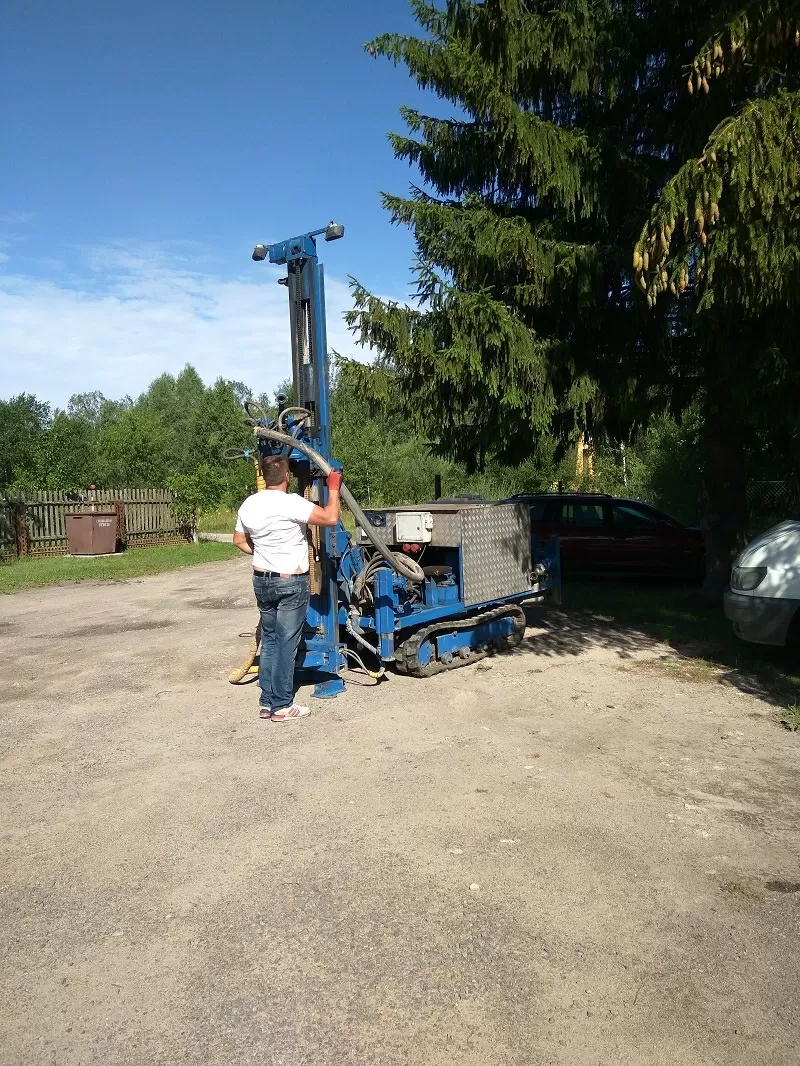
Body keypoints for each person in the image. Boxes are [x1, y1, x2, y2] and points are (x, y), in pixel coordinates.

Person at [233, 455, 341, 722]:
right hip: (290, 582)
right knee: (285, 643)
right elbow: (330, 518)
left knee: (269, 641)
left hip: (262, 580)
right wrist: (334, 487)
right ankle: (282, 705)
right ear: (286, 477)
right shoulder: (292, 502)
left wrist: (265, 555)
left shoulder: (249, 504)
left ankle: (266, 702)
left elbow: (238, 541)